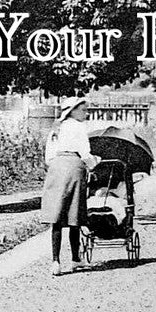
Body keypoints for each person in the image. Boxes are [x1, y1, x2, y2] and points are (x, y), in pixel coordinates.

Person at [42, 97, 99, 275]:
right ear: (73, 111)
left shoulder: (56, 128)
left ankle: (55, 262)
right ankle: (75, 259)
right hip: (74, 165)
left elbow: (48, 157)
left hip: (56, 167)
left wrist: (57, 166)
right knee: (75, 213)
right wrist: (94, 163)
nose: (87, 113)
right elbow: (85, 153)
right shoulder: (78, 127)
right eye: (84, 110)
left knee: (57, 214)